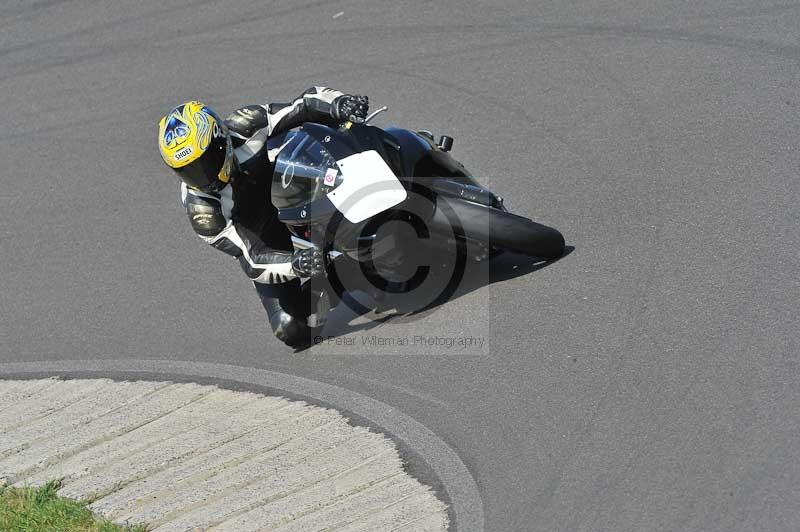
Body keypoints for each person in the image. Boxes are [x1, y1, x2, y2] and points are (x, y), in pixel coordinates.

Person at [157, 87, 369, 348]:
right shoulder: (203, 211)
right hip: (269, 242)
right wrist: (295, 264)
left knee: (336, 124)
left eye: (204, 162)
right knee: (289, 329)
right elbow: (252, 260)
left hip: (303, 189)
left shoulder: (245, 126)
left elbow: (302, 106)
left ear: (220, 140)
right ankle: (351, 272)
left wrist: (339, 103)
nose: (200, 177)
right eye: (187, 171)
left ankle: (401, 151)